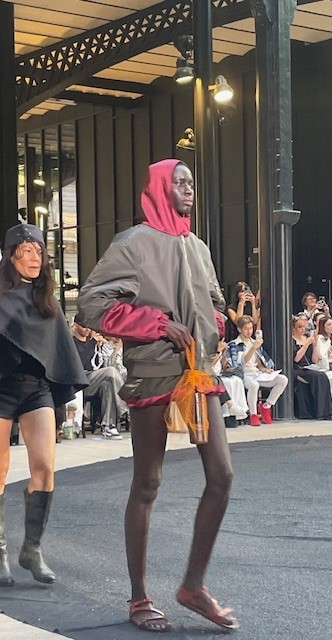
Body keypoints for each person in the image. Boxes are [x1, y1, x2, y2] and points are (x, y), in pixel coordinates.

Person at [77, 160, 238, 632]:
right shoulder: (133, 243)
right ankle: (139, 596)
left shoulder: (197, 246)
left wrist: (212, 325)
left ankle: (192, 586)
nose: (188, 189)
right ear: (160, 188)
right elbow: (92, 303)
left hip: (197, 372)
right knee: (147, 482)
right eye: (179, 182)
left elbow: (215, 302)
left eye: (191, 183)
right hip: (153, 372)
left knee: (222, 475)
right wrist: (158, 324)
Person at [0, 224, 87, 586]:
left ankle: (32, 549)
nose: (35, 257)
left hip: (36, 389)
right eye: (27, 250)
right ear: (11, 255)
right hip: (1, 386)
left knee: (45, 468)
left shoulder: (46, 300)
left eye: (39, 251)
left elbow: (59, 351)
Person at [227, 315, 288, 426]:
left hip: (256, 373)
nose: (249, 331)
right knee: (254, 385)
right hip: (243, 375)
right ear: (239, 329)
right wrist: (253, 348)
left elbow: (259, 364)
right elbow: (241, 363)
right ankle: (253, 414)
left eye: (251, 328)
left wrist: (265, 369)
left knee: (282, 379)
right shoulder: (234, 344)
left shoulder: (255, 342)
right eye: (246, 328)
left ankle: (267, 406)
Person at [72, 317, 127, 439]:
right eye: (83, 326)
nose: (87, 329)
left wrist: (99, 346)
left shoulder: (94, 343)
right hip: (80, 380)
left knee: (108, 384)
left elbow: (99, 365)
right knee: (110, 371)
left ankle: (108, 426)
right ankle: (125, 405)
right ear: (75, 326)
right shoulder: (71, 342)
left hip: (94, 380)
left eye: (88, 327)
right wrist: (92, 342)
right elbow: (78, 364)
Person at [291, 316, 332, 420]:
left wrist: (314, 346)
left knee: (323, 376)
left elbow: (314, 360)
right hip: (298, 368)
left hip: (310, 366)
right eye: (299, 327)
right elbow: (296, 358)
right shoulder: (292, 340)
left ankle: (326, 411)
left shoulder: (307, 338)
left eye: (304, 327)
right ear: (293, 328)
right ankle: (320, 412)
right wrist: (306, 344)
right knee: (318, 377)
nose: (302, 330)